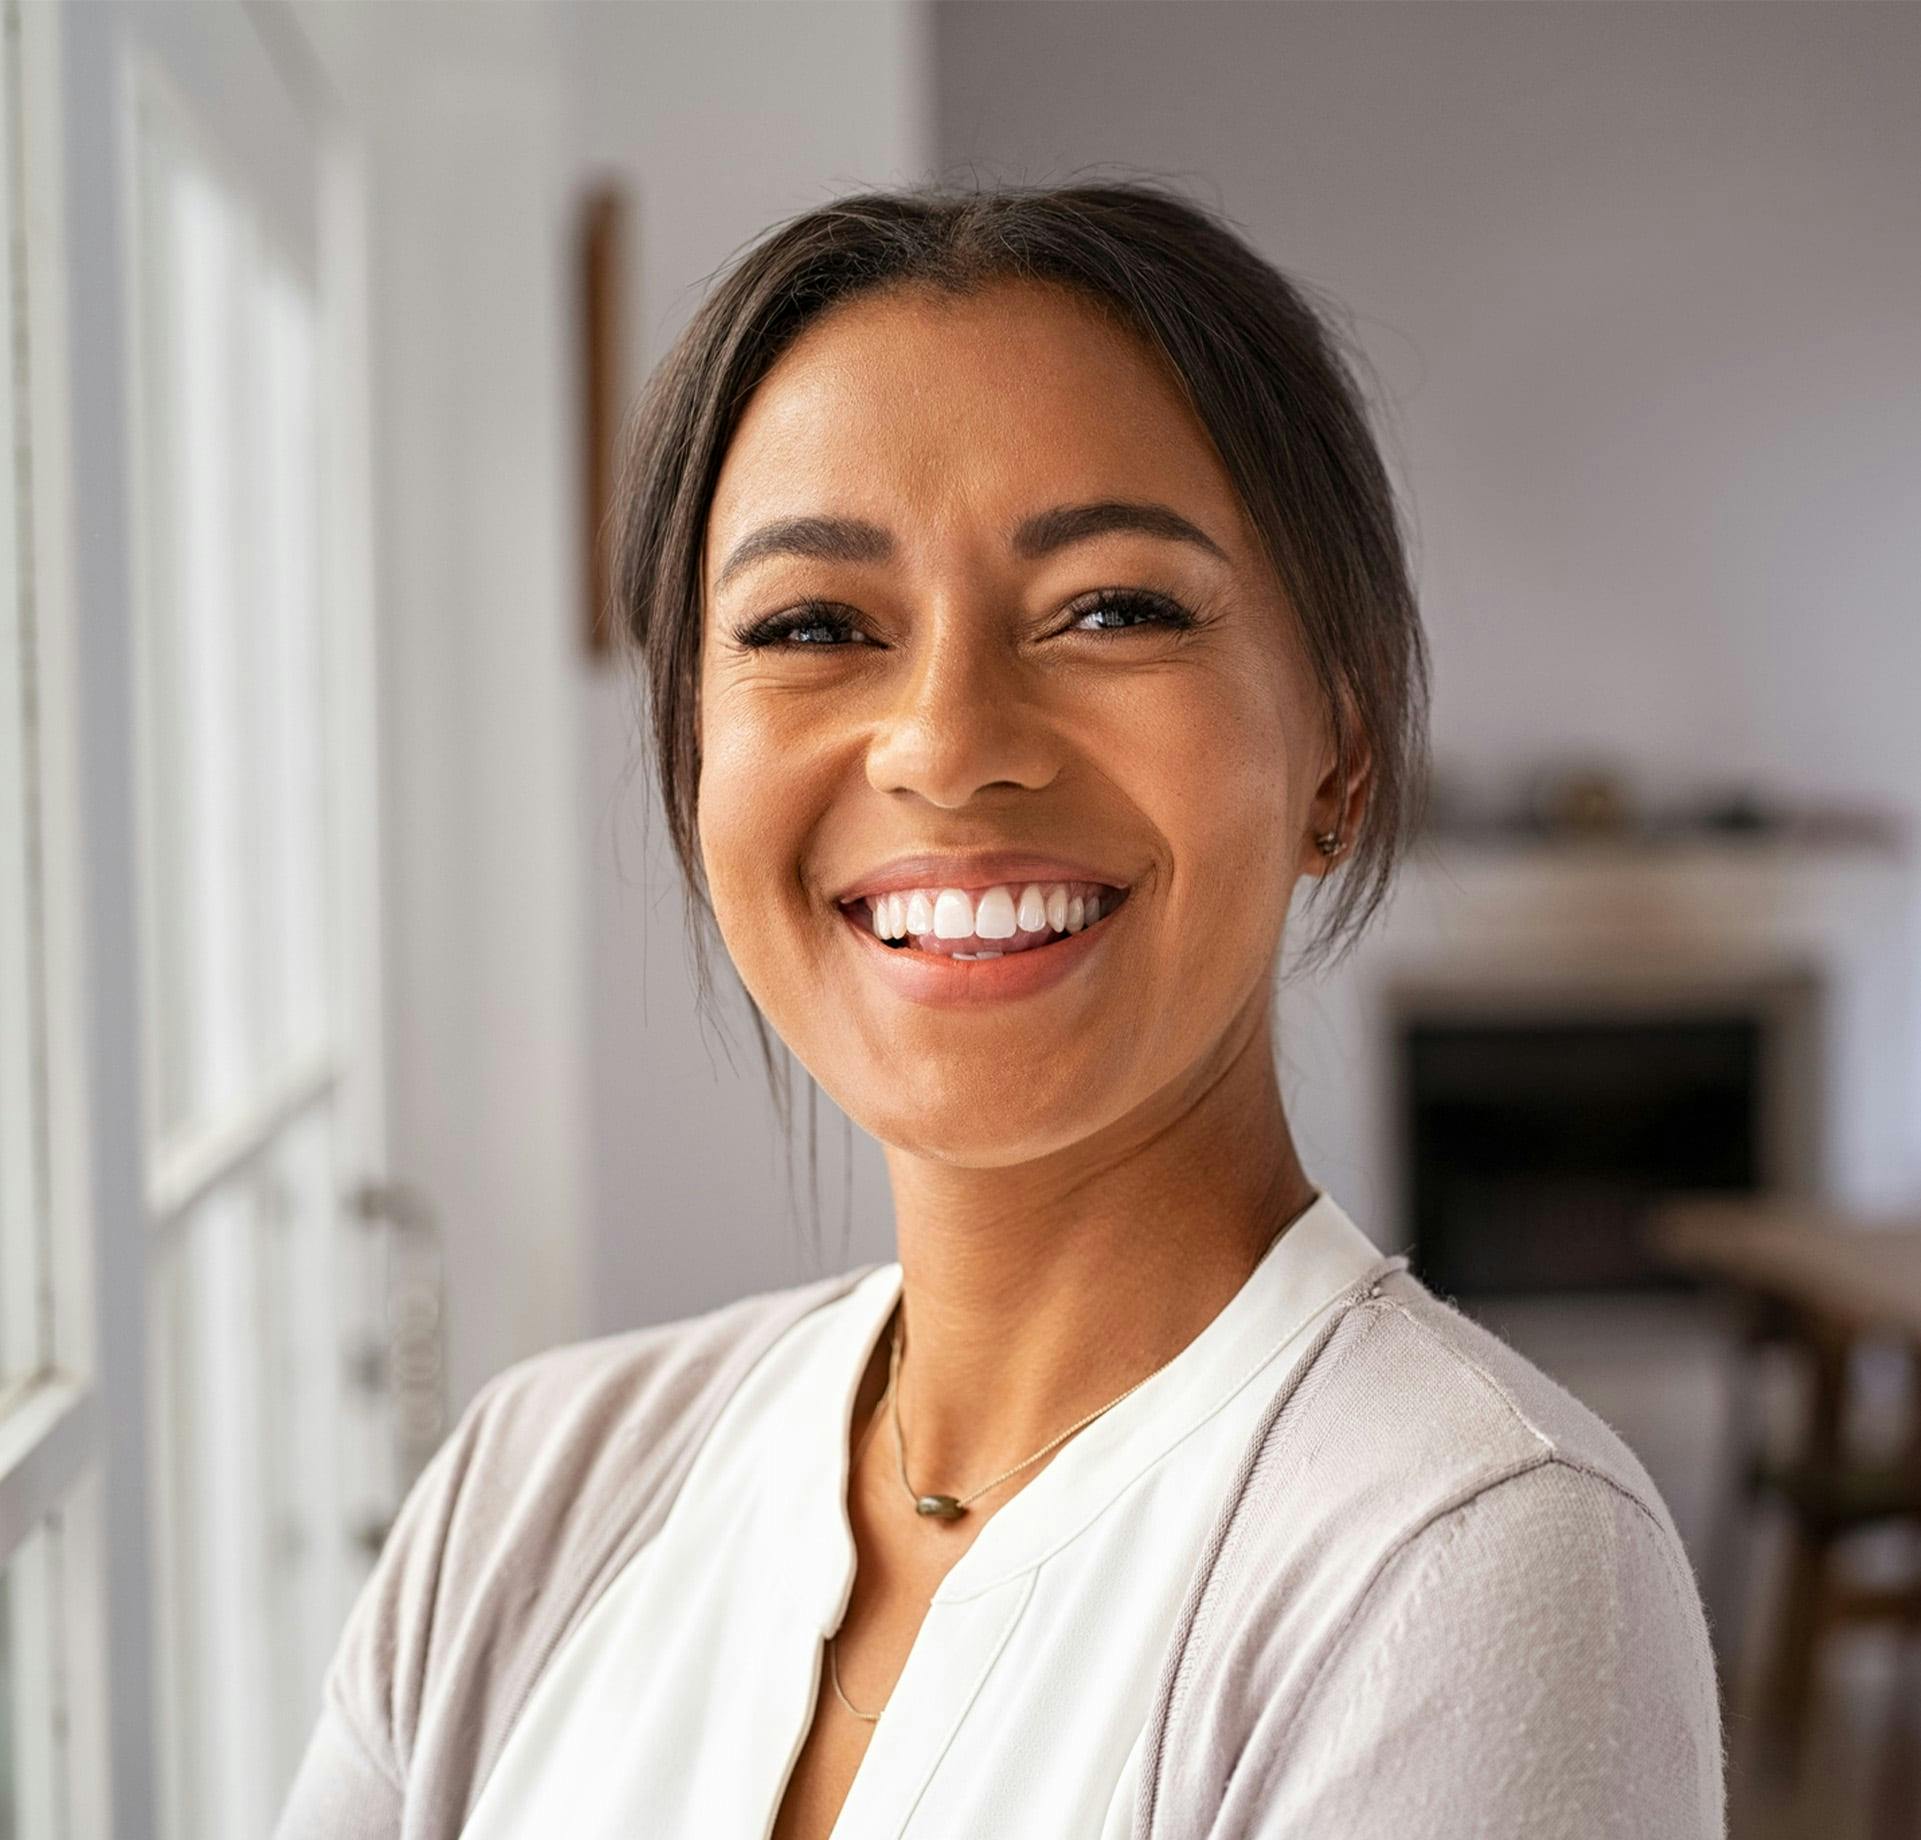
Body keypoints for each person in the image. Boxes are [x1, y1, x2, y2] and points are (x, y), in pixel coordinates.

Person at [274, 179, 1725, 1839]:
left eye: (1113, 609)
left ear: (1339, 747)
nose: (949, 743)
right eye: (813, 626)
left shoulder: (1466, 1561)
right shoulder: (529, 1498)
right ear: (693, 763)